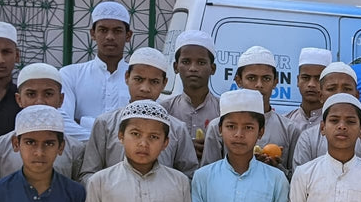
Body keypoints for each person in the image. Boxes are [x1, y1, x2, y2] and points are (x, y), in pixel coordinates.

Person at [79, 48, 198, 181]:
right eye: (138, 79)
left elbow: (189, 177)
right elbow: (88, 174)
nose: (145, 88)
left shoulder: (176, 129)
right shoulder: (105, 123)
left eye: (154, 82)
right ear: (127, 77)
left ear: (164, 83)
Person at [201, 46, 301, 174]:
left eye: (266, 78)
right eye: (251, 78)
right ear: (239, 81)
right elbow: (208, 175)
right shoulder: (217, 126)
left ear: (275, 82)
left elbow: (296, 179)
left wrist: (275, 168)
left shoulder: (289, 129)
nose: (259, 84)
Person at [0, 63, 85, 181]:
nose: (39, 101)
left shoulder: (75, 148)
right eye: (31, 94)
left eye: (48, 94)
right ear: (19, 99)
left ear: (61, 99)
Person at [58, 1, 133, 141]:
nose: (110, 36)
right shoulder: (70, 74)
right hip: (82, 156)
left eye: (117, 31)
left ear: (128, 35)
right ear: (93, 34)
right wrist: (108, 143)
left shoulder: (138, 78)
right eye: (103, 30)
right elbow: (62, 121)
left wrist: (83, 121)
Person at [292, 62, 361, 169]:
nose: (340, 94)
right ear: (321, 96)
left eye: (346, 89)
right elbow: (300, 179)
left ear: (357, 95)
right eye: (332, 89)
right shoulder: (307, 138)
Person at [162, 29, 219, 161]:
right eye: (186, 62)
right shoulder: (164, 110)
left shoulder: (224, 111)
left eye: (201, 62)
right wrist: (183, 148)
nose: (193, 68)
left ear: (213, 68)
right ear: (176, 67)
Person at [286, 47, 332, 132]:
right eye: (305, 78)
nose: (311, 84)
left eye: (318, 79)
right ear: (298, 80)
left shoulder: (333, 124)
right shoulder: (285, 122)